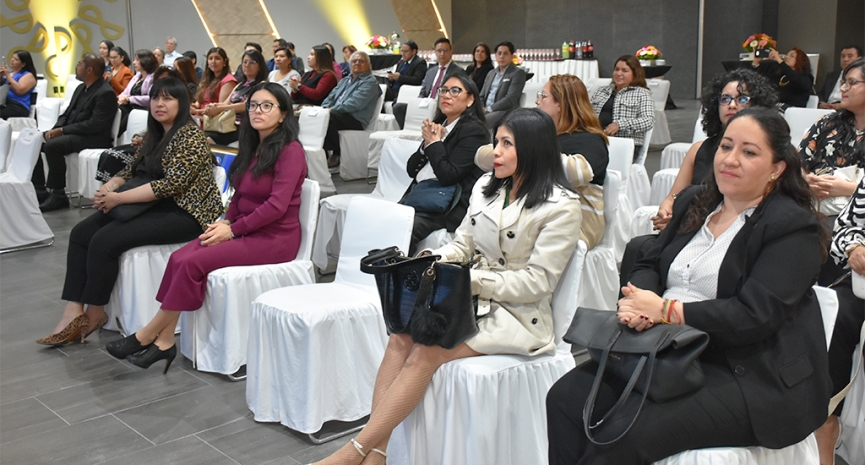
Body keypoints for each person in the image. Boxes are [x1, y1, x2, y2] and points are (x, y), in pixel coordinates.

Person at [546, 107, 831, 464]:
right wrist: (641, 302)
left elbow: (756, 315)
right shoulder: (698, 201)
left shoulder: (791, 227)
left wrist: (666, 311)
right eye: (726, 147)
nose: (731, 159)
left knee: (622, 435)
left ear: (776, 168)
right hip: (665, 349)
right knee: (564, 399)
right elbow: (647, 258)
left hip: (746, 371)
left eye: (749, 152)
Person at [313, 107, 581, 465]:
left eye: (506, 144)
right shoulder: (488, 187)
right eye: (495, 142)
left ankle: (356, 450)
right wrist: (429, 263)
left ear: (532, 149)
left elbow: (537, 283)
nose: (495, 152)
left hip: (517, 315)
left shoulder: (561, 206)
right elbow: (462, 244)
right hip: (468, 296)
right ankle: (376, 451)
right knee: (399, 336)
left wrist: (468, 280)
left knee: (426, 350)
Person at [104, 83, 306, 372]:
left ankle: (147, 335)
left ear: (283, 114)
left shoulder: (290, 151)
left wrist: (234, 230)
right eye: (253, 105)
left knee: (192, 263)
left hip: (275, 238)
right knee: (179, 258)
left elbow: (276, 207)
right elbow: (239, 195)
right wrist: (225, 221)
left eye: (267, 106)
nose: (257, 111)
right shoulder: (252, 146)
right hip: (243, 228)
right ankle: (164, 343)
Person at [35, 77, 222, 346]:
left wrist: (119, 199)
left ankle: (96, 312)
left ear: (182, 104)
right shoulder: (156, 133)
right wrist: (110, 186)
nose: (160, 103)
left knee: (104, 241)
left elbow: (170, 185)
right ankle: (73, 309)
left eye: (168, 98)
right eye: (156, 97)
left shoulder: (191, 137)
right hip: (151, 204)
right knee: (80, 233)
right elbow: (132, 169)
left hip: (185, 212)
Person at [652, 69, 779, 231]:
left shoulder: (767, 154)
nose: (732, 105)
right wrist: (667, 211)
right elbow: (673, 196)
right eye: (725, 99)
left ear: (758, 105)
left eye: (742, 99)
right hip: (690, 228)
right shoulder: (698, 150)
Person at [400, 74, 488, 251]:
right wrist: (426, 145)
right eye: (444, 90)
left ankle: (396, 276)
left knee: (400, 230)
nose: (447, 95)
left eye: (455, 91)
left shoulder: (474, 131)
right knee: (382, 220)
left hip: (444, 206)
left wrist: (434, 143)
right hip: (420, 196)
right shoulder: (440, 124)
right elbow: (411, 169)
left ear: (470, 100)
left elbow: (449, 175)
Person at [34, 54, 118, 212]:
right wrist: (55, 129)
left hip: (94, 138)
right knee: (37, 141)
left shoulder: (105, 92)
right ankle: (40, 190)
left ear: (89, 70)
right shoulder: (81, 88)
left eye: (79, 64)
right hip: (76, 134)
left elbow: (95, 125)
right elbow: (66, 114)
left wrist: (63, 130)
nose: (75, 67)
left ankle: (58, 194)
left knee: (53, 146)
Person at [800, 59, 865, 218]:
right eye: (844, 82)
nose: (843, 88)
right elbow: (797, 162)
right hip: (812, 206)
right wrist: (807, 181)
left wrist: (848, 189)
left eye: (852, 83)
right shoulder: (827, 123)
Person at [320, 51, 381, 168]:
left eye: (361, 61)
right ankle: (320, 154)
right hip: (338, 114)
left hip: (355, 119)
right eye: (354, 61)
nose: (357, 63)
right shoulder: (345, 80)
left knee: (329, 119)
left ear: (368, 65)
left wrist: (331, 110)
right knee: (316, 117)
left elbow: (354, 104)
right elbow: (330, 97)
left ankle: (337, 153)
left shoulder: (370, 82)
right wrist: (324, 108)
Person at [590, 55, 655, 159]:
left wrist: (620, 124)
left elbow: (648, 121)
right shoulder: (602, 91)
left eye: (625, 70)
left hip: (625, 144)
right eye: (616, 69)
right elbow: (587, 113)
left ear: (635, 74)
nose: (619, 73)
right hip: (598, 139)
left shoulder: (642, 93)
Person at [393, 37, 466, 129]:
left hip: (441, 106)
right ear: (435, 52)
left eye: (445, 50)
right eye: (439, 51)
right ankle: (409, 130)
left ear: (451, 52)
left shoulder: (458, 71)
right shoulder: (431, 71)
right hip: (426, 103)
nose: (442, 53)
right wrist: (419, 103)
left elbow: (458, 94)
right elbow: (423, 91)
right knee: (398, 107)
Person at [204, 49, 267, 146]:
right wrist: (212, 107)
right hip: (230, 125)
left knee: (207, 137)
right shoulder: (241, 84)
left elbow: (246, 105)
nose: (247, 65)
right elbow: (225, 103)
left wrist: (221, 108)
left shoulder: (261, 85)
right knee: (203, 135)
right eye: (244, 62)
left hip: (244, 126)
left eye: (252, 62)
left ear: (260, 66)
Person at [480, 41, 527, 128]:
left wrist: (488, 109)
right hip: (486, 110)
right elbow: (481, 95)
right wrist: (480, 108)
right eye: (499, 53)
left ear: (512, 56)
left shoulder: (517, 73)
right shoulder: (491, 73)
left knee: (479, 123)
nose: (502, 56)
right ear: (496, 56)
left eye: (505, 53)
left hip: (504, 110)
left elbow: (510, 99)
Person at [117, 49, 158, 134]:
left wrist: (130, 99)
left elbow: (151, 97)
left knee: (123, 119)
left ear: (145, 61)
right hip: (129, 107)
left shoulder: (154, 77)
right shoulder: (137, 76)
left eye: (137, 60)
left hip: (142, 109)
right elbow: (126, 91)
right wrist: (121, 97)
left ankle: (113, 137)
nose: (134, 62)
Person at [192, 47, 238, 118]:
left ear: (225, 61)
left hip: (213, 122)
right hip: (200, 118)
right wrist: (193, 106)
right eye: (210, 59)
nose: (213, 61)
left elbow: (221, 109)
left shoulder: (228, 80)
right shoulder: (207, 79)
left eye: (217, 58)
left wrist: (197, 112)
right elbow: (200, 102)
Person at [818, 45, 863, 110]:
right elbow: (821, 93)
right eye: (843, 56)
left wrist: (842, 105)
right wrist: (821, 103)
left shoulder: (861, 77)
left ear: (859, 59)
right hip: (826, 109)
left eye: (850, 56)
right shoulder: (832, 75)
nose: (845, 59)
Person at [0, 50, 37, 119]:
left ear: (23, 64)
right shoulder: (10, 73)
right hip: (4, 103)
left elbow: (19, 90)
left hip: (17, 106)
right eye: (12, 58)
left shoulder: (28, 75)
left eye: (16, 59)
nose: (12, 60)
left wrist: (8, 76)